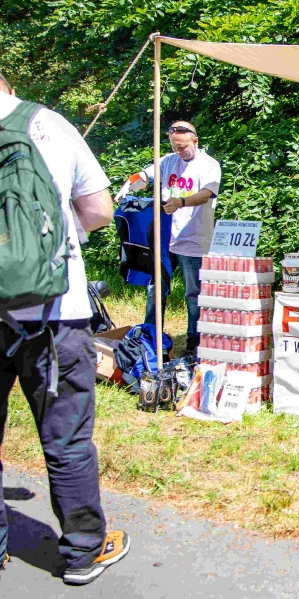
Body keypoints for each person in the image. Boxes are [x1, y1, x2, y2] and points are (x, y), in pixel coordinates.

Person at [0, 72, 129, 584]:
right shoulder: (48, 124)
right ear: (9, 85)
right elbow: (99, 210)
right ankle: (82, 551)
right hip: (54, 313)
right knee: (66, 436)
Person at [119, 120, 221, 356]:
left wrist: (181, 202)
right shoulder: (167, 161)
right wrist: (128, 186)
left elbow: (207, 194)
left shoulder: (209, 165)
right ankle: (150, 336)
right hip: (164, 239)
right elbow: (143, 175)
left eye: (183, 147)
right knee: (156, 289)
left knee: (194, 294)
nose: (179, 151)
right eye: (175, 147)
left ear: (195, 140)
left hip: (194, 240)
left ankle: (194, 339)